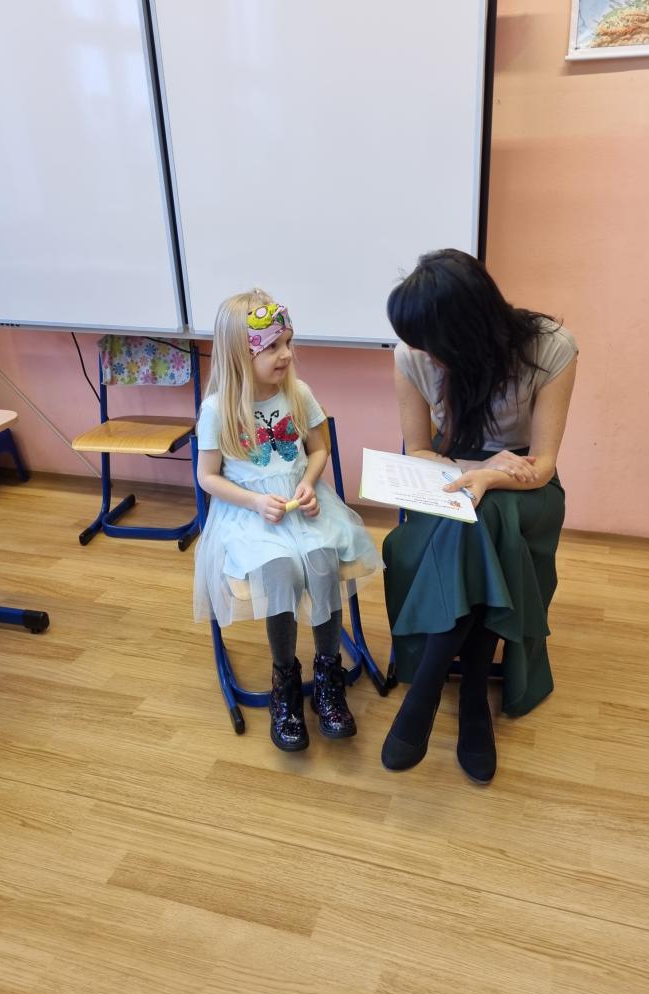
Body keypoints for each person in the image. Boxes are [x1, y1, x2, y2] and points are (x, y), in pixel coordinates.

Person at [381, 249, 577, 783]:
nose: (426, 356)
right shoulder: (411, 356)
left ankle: (426, 695)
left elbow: (543, 464)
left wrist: (492, 477)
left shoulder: (551, 349)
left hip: (526, 487)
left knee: (486, 518)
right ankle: (471, 700)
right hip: (448, 479)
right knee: (475, 521)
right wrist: (473, 472)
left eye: (435, 346)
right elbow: (420, 450)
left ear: (469, 331)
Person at [194, 290, 380, 752]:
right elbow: (207, 477)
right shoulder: (217, 409)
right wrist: (255, 502)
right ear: (241, 354)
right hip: (248, 513)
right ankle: (285, 679)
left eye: (288, 342)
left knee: (322, 560)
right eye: (273, 347)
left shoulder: (298, 393)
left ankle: (327, 672)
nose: (287, 354)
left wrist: (310, 485)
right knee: (280, 569)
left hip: (301, 503)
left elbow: (318, 449)